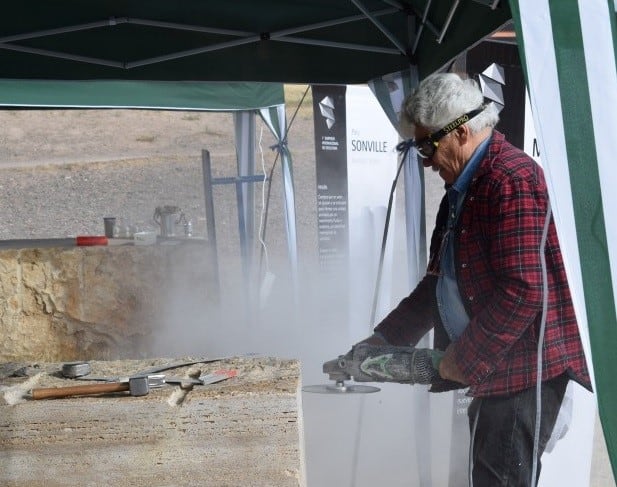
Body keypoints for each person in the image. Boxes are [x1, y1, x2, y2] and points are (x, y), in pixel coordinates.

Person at [339, 72, 592, 486]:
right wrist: (383, 341)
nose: (424, 160)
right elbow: (435, 287)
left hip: (525, 373)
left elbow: (526, 291)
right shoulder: (465, 186)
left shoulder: (510, 180)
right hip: (497, 368)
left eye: (427, 144)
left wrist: (465, 357)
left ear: (459, 133)